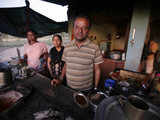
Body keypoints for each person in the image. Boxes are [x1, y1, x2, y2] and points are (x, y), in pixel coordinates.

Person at [51, 14, 104, 91]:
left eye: (84, 28)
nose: (80, 31)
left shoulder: (95, 48)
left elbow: (97, 69)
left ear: (88, 30)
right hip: (69, 88)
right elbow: (66, 64)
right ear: (73, 29)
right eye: (77, 27)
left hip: (86, 90)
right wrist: (60, 79)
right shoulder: (68, 47)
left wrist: (95, 88)